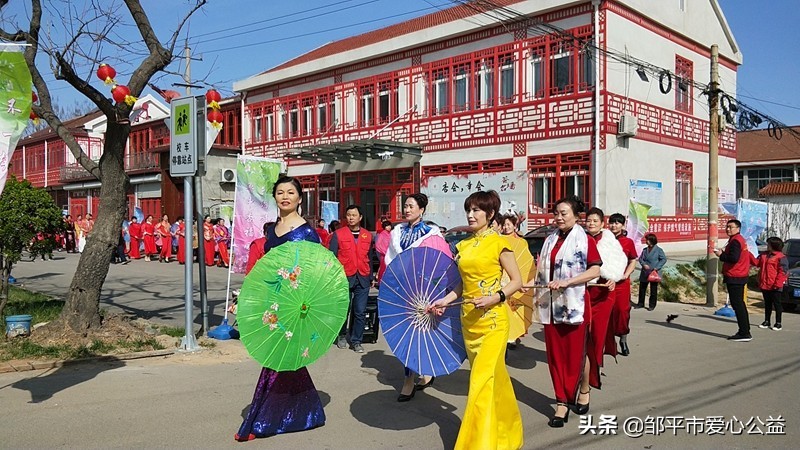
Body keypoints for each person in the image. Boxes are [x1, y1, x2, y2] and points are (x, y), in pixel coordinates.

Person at [429, 190, 523, 449]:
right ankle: (507, 435)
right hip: (469, 321)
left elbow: (516, 281)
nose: (470, 215)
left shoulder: (499, 243)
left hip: (493, 322)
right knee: (496, 380)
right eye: (468, 210)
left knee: (480, 382)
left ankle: (475, 444)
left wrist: (496, 297)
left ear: (490, 214)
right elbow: (461, 284)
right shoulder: (464, 245)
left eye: (476, 211)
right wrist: (445, 301)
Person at [236, 176, 326, 442]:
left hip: (295, 304)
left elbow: (314, 267)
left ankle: (264, 420)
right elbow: (267, 266)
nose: (285, 196)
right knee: (283, 361)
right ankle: (306, 412)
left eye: (291, 192)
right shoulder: (274, 228)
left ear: (300, 198)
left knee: (277, 360)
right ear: (274, 197)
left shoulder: (307, 231)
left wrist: (301, 295)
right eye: (280, 192)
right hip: (274, 301)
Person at [528, 196, 602, 427]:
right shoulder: (550, 240)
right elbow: (543, 271)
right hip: (551, 307)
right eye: (556, 213)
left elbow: (595, 271)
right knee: (556, 357)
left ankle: (584, 388)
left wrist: (568, 282)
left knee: (577, 355)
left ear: (576, 216)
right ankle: (561, 403)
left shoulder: (585, 240)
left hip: (574, 306)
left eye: (564, 213)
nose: (559, 218)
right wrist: (528, 284)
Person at [384, 193, 452, 402]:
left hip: (423, 292)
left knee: (423, 334)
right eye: (405, 206)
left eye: (411, 206)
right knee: (406, 334)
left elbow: (439, 263)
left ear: (421, 210)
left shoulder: (431, 233)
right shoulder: (397, 232)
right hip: (403, 291)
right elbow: (390, 260)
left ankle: (426, 371)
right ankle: (408, 379)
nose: (407, 210)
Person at [584, 208, 626, 393]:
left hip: (604, 294)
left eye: (595, 221)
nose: (591, 223)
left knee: (598, 333)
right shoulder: (580, 239)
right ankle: (586, 368)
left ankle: (595, 367)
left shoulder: (610, 241)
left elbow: (620, 262)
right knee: (585, 334)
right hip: (584, 292)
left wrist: (613, 277)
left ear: (602, 223)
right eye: (589, 220)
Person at [329, 205, 374, 354]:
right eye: (348, 215)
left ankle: (356, 341)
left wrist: (371, 276)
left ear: (360, 217)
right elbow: (332, 257)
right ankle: (341, 335)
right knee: (344, 309)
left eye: (354, 215)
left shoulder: (368, 235)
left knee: (360, 311)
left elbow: (370, 257)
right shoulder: (338, 234)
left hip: (363, 277)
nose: (351, 218)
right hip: (344, 277)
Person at [715, 219, 753, 341]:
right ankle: (744, 331)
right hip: (739, 275)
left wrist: (721, 255)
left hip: (736, 276)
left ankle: (744, 332)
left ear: (738, 228)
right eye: (727, 227)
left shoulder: (736, 241)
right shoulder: (739, 239)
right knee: (739, 304)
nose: (728, 229)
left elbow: (733, 258)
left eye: (731, 227)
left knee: (738, 304)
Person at [606, 213, 639, 357]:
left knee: (622, 311)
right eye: (611, 223)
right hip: (605, 282)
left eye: (617, 223)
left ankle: (623, 338)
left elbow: (633, 260)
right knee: (607, 312)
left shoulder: (627, 242)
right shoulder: (603, 240)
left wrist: (625, 274)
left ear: (623, 225)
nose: (614, 225)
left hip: (621, 283)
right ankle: (607, 341)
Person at [751, 237, 788, 331]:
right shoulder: (764, 255)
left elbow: (783, 272)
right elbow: (756, 262)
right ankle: (766, 321)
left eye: (769, 244)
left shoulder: (781, 257)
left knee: (777, 304)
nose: (767, 246)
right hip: (765, 284)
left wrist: (778, 283)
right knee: (767, 304)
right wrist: (748, 253)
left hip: (775, 285)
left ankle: (778, 322)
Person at [637, 233, 666, 311]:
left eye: (648, 240)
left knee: (653, 289)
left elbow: (663, 259)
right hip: (645, 271)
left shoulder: (659, 250)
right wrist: (643, 264)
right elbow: (640, 259)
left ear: (652, 240)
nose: (646, 241)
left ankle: (652, 305)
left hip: (654, 272)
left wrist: (657, 267)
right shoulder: (644, 250)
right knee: (642, 288)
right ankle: (640, 303)